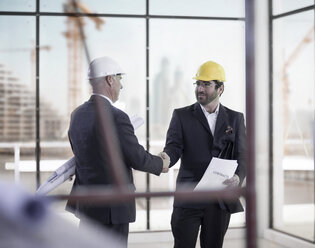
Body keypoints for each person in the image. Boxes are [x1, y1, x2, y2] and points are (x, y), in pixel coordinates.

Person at [66, 56, 170, 246]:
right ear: (109, 79)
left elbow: (80, 152)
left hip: (87, 206)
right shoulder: (117, 117)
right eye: (120, 79)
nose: (121, 86)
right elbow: (136, 157)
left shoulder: (76, 115)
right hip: (112, 210)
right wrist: (161, 164)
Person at [162, 61, 246, 248]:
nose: (200, 88)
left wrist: (238, 177)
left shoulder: (235, 119)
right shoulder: (181, 116)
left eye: (206, 84)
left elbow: (243, 156)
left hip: (218, 201)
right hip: (188, 197)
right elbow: (173, 147)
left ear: (220, 88)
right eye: (198, 83)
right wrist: (166, 157)